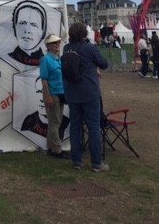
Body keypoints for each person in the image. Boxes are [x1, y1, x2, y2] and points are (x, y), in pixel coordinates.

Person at [63, 22, 109, 172]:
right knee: (93, 127)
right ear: (84, 33)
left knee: (75, 127)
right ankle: (97, 163)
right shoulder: (90, 48)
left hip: (72, 92)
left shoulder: (66, 48)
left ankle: (77, 161)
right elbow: (104, 64)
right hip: (89, 92)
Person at [40, 34, 68, 159]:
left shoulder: (58, 59)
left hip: (60, 93)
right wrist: (47, 96)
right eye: (54, 43)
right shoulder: (46, 59)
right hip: (52, 93)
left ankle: (51, 147)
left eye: (58, 43)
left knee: (56, 121)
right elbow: (44, 80)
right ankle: (57, 149)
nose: (57, 45)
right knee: (55, 122)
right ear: (48, 46)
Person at [8, 0, 47, 67]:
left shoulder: (47, 62)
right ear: (14, 27)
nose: (27, 30)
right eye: (22, 23)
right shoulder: (8, 60)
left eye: (34, 25)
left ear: (42, 31)